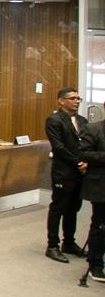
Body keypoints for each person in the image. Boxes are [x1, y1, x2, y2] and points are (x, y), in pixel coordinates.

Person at [44, 87, 87, 263]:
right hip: (64, 172)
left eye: (78, 98)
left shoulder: (82, 121)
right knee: (58, 207)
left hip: (80, 173)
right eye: (73, 98)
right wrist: (78, 162)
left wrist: (86, 162)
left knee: (74, 208)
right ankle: (52, 245)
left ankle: (68, 242)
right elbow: (59, 147)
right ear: (61, 101)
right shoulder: (54, 120)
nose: (77, 101)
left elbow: (86, 144)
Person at [76, 118, 105, 282]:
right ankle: (95, 264)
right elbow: (84, 153)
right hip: (101, 186)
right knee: (100, 225)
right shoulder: (93, 129)